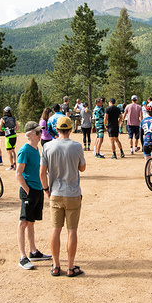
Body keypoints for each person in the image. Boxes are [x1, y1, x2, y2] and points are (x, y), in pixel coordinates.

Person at [40, 116, 86, 277]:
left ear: (56, 130)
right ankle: (71, 267)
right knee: (72, 231)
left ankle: (56, 265)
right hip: (72, 193)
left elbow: (42, 173)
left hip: (55, 193)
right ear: (71, 129)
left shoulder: (47, 147)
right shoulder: (76, 146)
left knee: (55, 230)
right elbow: (82, 168)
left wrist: (46, 189)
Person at [16, 121, 52, 270]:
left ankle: (33, 251)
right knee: (23, 222)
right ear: (29, 135)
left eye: (40, 132)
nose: (40, 135)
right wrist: (27, 190)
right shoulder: (24, 150)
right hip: (29, 190)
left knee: (31, 222)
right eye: (37, 133)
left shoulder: (36, 148)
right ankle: (22, 257)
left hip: (37, 189)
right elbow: (18, 174)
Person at [0, 106, 19, 171]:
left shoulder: (3, 119)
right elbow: (17, 127)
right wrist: (12, 129)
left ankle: (11, 166)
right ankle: (15, 164)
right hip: (14, 136)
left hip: (8, 137)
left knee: (9, 151)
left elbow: (0, 129)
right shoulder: (13, 118)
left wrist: (5, 130)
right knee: (13, 150)